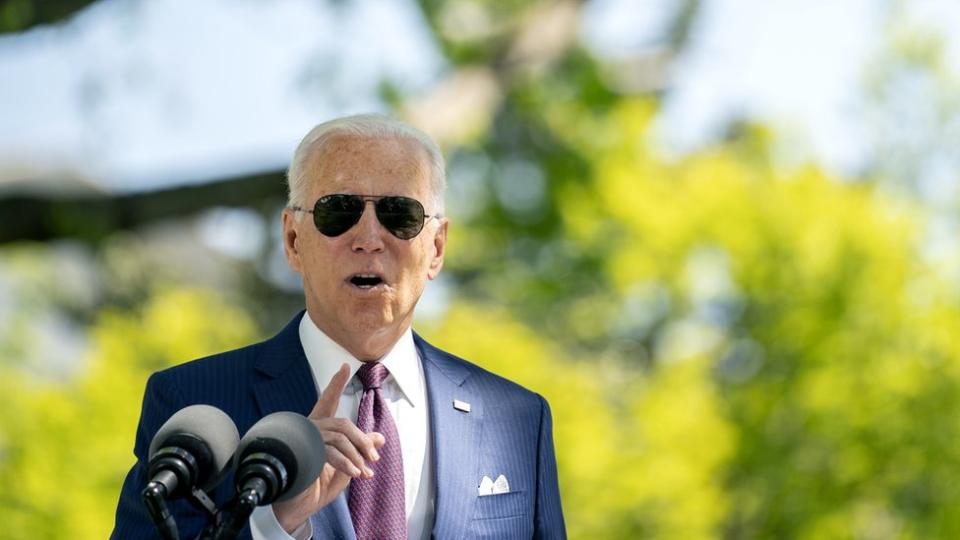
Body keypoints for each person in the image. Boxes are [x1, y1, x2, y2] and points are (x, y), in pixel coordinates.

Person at [111, 114, 566, 539]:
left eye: (400, 215)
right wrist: (278, 521)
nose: (369, 239)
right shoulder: (193, 404)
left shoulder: (518, 419)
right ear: (292, 240)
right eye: (338, 212)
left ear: (437, 247)